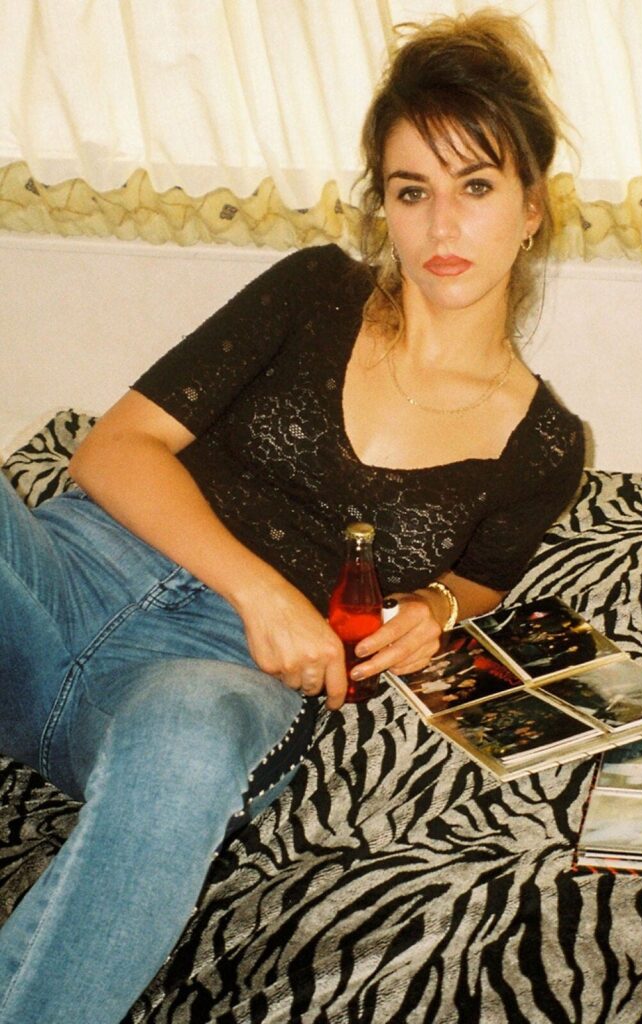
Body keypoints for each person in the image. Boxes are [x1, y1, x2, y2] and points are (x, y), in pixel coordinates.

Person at [0, 10, 584, 1023]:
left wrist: (436, 608)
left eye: (477, 186)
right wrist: (263, 589)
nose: (443, 227)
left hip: (216, 675)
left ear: (532, 206)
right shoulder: (316, 290)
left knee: (188, 739)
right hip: (66, 578)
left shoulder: (546, 445)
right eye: (413, 190)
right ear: (385, 207)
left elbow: (482, 579)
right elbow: (112, 451)